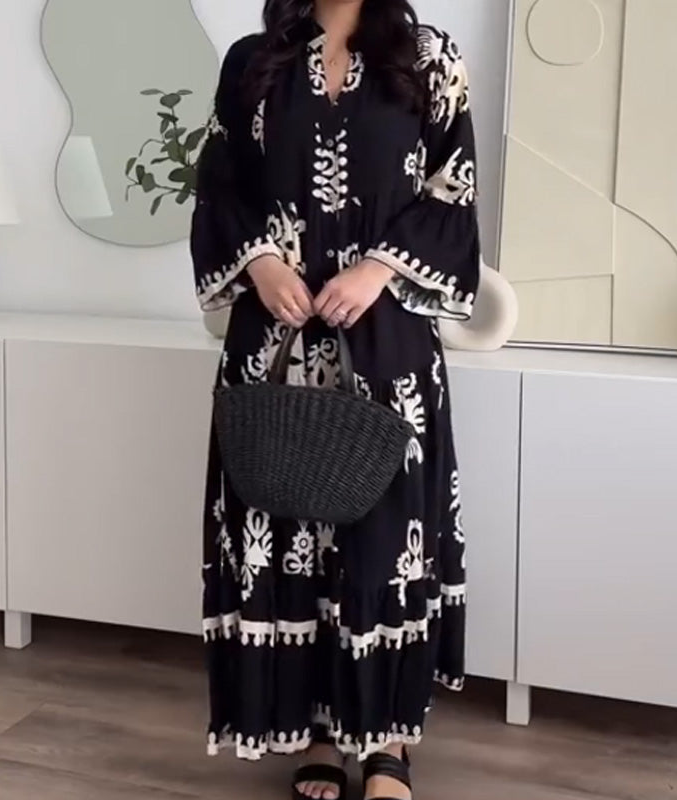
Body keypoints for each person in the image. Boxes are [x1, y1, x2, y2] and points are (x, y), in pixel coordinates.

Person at [191, 0, 480, 798]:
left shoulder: (428, 57)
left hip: (384, 343)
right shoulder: (254, 61)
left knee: (384, 540)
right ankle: (316, 732)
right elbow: (221, 181)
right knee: (288, 529)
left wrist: (378, 269)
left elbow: (452, 186)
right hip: (275, 337)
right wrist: (260, 263)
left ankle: (387, 743)